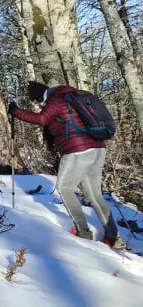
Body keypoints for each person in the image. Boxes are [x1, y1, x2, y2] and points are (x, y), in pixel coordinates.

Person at [8, 81, 122, 248]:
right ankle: (112, 236)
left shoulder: (56, 100)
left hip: (77, 151)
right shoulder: (71, 96)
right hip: (97, 149)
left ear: (41, 96)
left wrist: (16, 111)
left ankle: (82, 231)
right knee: (94, 194)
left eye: (35, 100)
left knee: (64, 188)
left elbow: (41, 119)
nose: (36, 104)